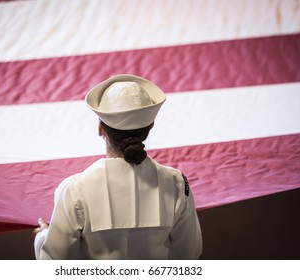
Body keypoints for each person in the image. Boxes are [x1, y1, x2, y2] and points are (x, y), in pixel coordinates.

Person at [33, 74, 202, 259]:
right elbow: (188, 255)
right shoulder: (177, 185)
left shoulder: (74, 190)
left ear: (100, 129)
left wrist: (43, 237)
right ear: (150, 126)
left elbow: (54, 263)